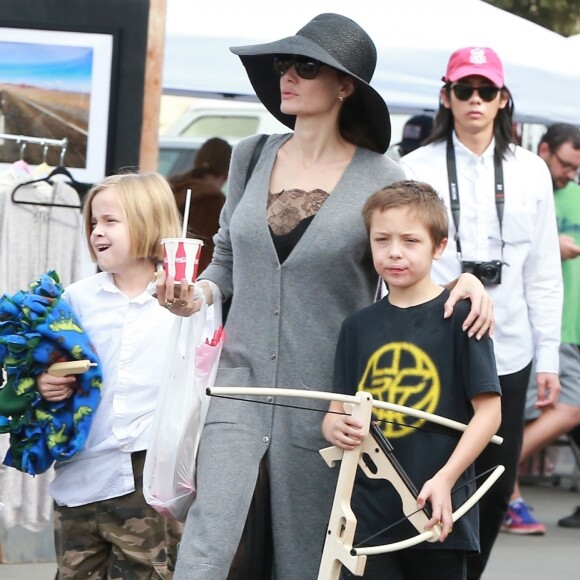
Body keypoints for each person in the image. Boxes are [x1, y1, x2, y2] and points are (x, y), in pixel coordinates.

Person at [156, 15, 494, 580]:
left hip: (331, 399)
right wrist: (196, 294)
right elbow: (228, 262)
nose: (287, 75)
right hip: (240, 382)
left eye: (305, 66)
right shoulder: (250, 155)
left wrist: (468, 281)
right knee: (207, 548)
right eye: (283, 65)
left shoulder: (382, 173)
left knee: (310, 557)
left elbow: (414, 252)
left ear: (344, 86)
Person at [399, 47, 563, 579]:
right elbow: (393, 266)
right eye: (464, 90)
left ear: (502, 98)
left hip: (508, 350)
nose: (475, 100)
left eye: (485, 91)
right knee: (427, 474)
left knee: (494, 481)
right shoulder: (415, 167)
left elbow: (543, 273)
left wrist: (550, 361)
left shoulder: (532, 170)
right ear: (445, 96)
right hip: (436, 344)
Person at [324, 180, 502, 580]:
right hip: (367, 516)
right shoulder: (356, 327)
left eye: (410, 240)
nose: (394, 252)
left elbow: (489, 414)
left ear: (439, 246)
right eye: (382, 239)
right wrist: (337, 427)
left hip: (438, 510)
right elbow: (335, 411)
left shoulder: (462, 316)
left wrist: (446, 479)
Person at [37, 172, 184, 578]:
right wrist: (46, 385)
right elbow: (49, 372)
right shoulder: (75, 299)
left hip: (147, 479)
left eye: (109, 221)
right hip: (80, 475)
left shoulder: (182, 303)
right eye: (93, 223)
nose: (97, 232)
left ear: (148, 222)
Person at [502, 123, 580, 534]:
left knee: (546, 412)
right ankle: (494, 478)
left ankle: (503, 492)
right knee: (564, 408)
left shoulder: (572, 194)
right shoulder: (526, 187)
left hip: (564, 326)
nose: (569, 173)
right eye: (565, 164)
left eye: (575, 168)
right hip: (543, 326)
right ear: (545, 149)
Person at [167, 137, 232, 274]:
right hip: (190, 278)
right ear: (226, 174)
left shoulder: (170, 190)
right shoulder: (212, 202)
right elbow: (206, 255)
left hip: (162, 271)